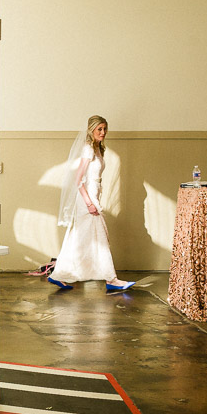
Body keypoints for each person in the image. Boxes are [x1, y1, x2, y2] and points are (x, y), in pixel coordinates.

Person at [47, 115, 135, 293]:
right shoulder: (88, 149)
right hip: (87, 198)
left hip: (94, 194)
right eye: (99, 129)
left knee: (77, 239)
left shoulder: (98, 149)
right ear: (91, 130)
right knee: (100, 238)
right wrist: (89, 203)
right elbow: (78, 179)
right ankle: (112, 279)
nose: (103, 133)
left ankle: (58, 274)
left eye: (104, 129)